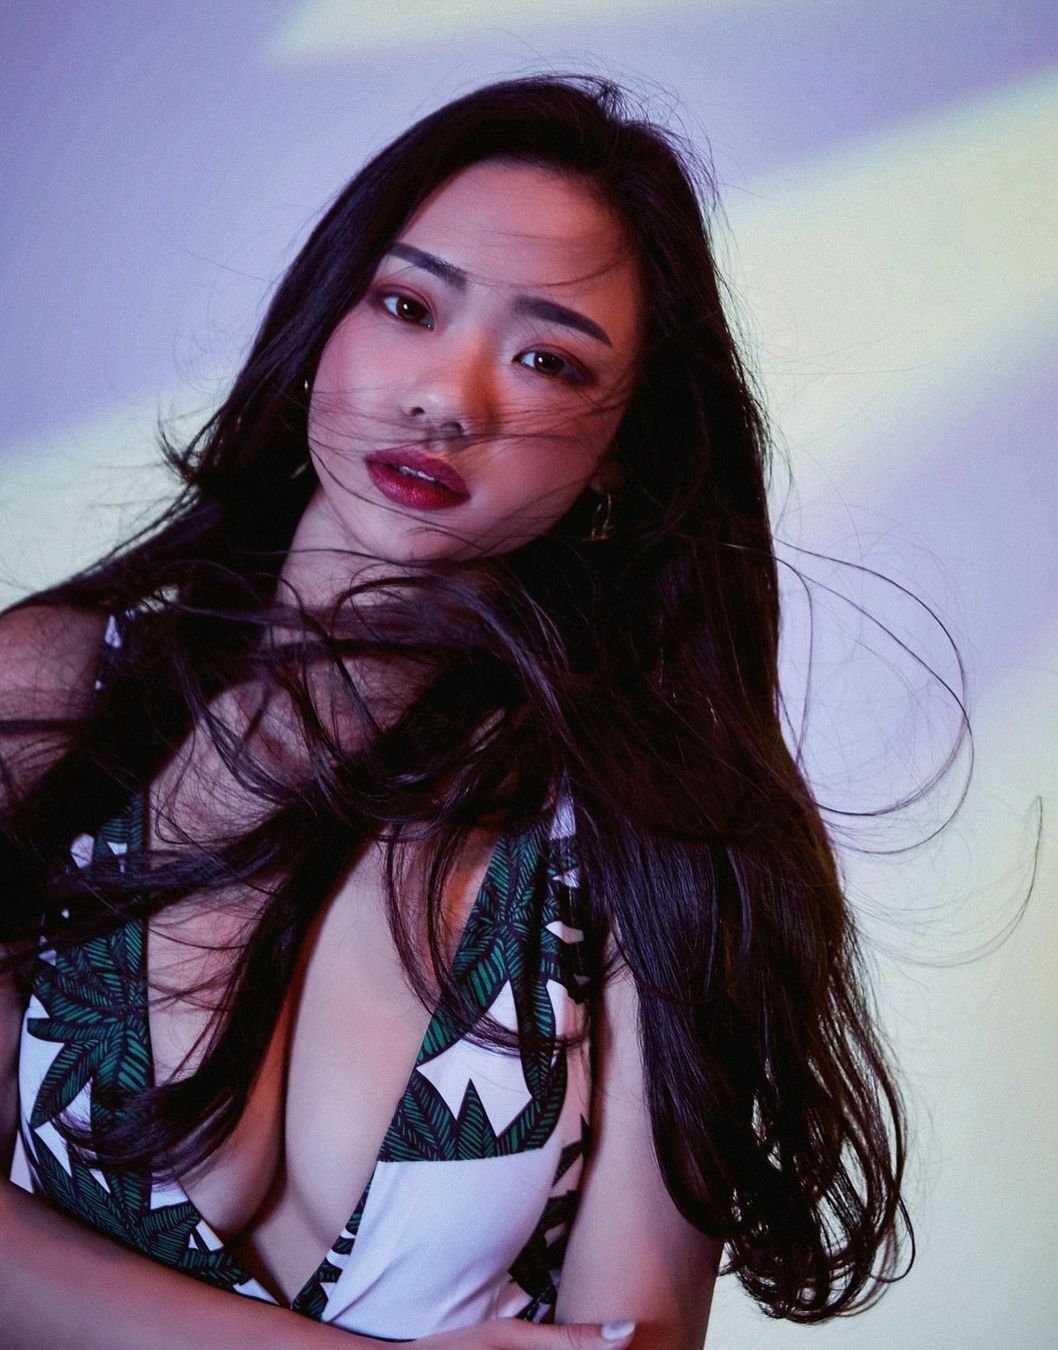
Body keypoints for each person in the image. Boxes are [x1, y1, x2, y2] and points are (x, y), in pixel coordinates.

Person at [0, 74, 912, 1348]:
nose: (450, 398)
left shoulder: (659, 839)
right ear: (322, 325)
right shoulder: (59, 702)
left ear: (620, 454)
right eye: (409, 305)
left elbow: (636, 1336)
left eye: (548, 359)